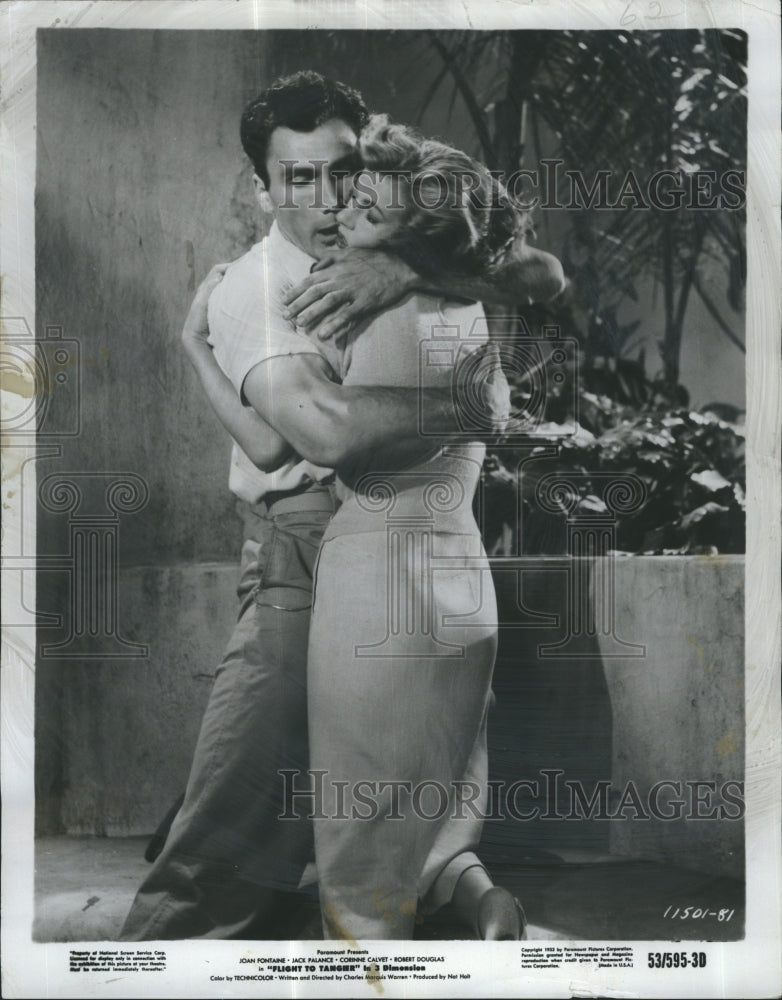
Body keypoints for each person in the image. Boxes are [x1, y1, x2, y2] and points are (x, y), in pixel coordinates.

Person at [120, 70, 563, 942]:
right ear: (262, 188)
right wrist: (480, 405)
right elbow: (308, 436)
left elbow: (540, 273)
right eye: (297, 179)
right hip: (305, 543)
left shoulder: (389, 243)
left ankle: (419, 892)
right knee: (244, 793)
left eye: (340, 172)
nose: (324, 199)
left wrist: (405, 263)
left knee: (405, 777)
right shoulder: (257, 287)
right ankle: (166, 946)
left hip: (401, 540)